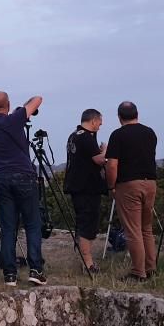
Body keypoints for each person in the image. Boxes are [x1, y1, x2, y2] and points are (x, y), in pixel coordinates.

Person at [0, 91, 46, 287]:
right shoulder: (14, 120)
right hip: (23, 176)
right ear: (8, 104)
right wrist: (23, 108)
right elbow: (38, 99)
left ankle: (9, 274)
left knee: (9, 227)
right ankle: (35, 269)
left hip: (2, 178)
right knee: (33, 224)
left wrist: (19, 111)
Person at [104, 101, 158, 281]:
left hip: (129, 185)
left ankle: (138, 272)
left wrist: (111, 185)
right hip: (150, 183)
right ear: (137, 114)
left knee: (133, 230)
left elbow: (112, 164)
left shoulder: (118, 135)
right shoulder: (150, 133)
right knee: (146, 229)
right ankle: (151, 268)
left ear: (119, 117)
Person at [64, 109, 108, 274]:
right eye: (100, 122)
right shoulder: (86, 137)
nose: (100, 125)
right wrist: (105, 150)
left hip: (77, 185)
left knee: (84, 221)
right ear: (93, 120)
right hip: (87, 187)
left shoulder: (74, 136)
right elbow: (98, 160)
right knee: (87, 223)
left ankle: (85, 260)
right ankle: (88, 263)